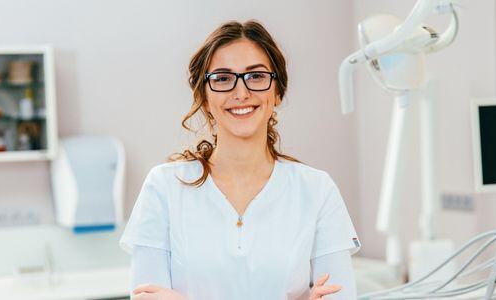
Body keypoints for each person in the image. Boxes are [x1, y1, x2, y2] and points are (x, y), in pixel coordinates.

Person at [119, 20, 361, 300]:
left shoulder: (317, 190)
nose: (241, 92)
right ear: (205, 97)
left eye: (256, 76)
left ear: (278, 91)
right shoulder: (164, 187)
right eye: (222, 78)